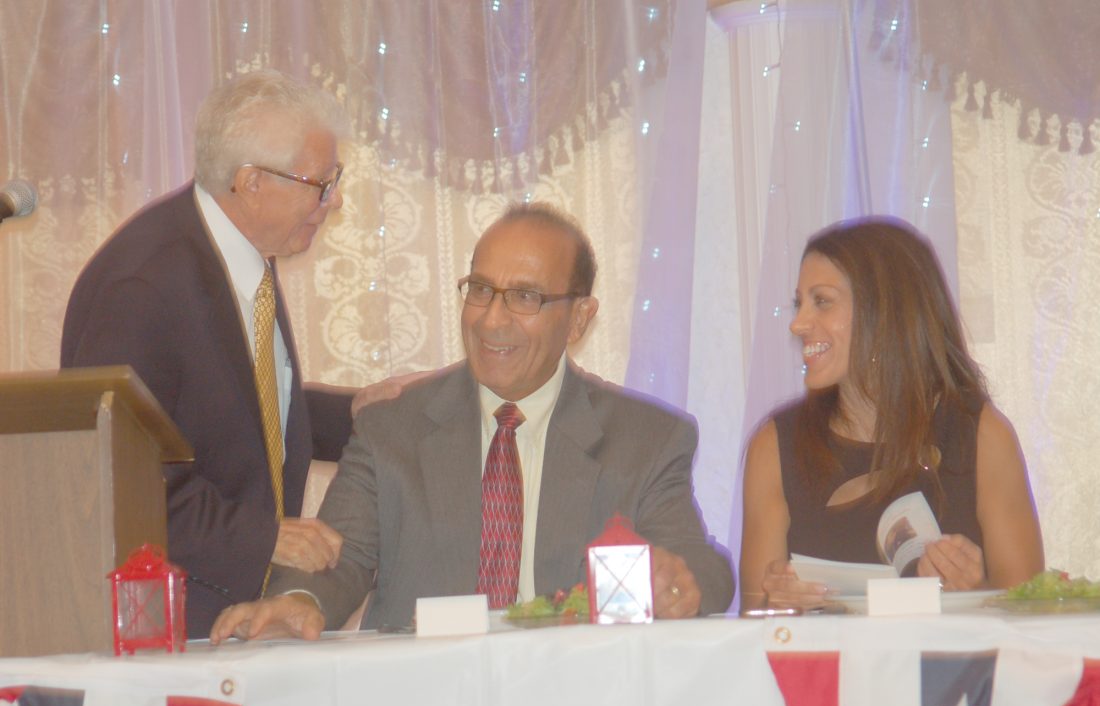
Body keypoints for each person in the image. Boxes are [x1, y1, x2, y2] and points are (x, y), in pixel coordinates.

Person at [210, 203, 735, 641]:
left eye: (525, 297)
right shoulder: (392, 427)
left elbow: (699, 564)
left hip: (574, 702)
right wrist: (298, 602)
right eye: (481, 289)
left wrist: (680, 584)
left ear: (579, 318)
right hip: (425, 701)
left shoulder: (644, 439)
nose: (491, 318)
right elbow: (339, 556)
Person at [60, 70, 416, 637]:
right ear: (251, 182)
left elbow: (236, 411)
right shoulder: (142, 288)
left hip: (229, 615)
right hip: (165, 628)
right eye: (321, 183)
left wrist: (353, 413)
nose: (334, 200)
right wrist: (264, 537)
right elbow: (119, 481)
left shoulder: (239, 250)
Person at [739, 217, 1044, 611]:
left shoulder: (982, 435)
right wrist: (777, 604)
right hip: (827, 656)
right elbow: (754, 617)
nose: (798, 324)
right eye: (800, 303)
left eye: (822, 301)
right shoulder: (775, 445)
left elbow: (1031, 616)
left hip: (950, 656)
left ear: (884, 310)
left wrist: (976, 592)